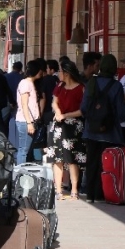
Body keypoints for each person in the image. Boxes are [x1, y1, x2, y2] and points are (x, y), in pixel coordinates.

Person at [80, 54, 125, 203]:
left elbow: (84, 108)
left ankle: (89, 194)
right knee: (106, 163)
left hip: (91, 130)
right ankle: (103, 193)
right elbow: (121, 112)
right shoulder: (116, 86)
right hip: (110, 132)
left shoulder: (91, 82)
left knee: (92, 162)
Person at [49, 59, 85, 200]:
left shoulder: (81, 88)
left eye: (61, 71)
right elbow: (54, 102)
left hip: (73, 126)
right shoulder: (59, 86)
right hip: (58, 125)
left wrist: (65, 115)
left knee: (72, 159)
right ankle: (58, 190)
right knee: (57, 158)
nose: (59, 74)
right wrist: (58, 112)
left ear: (67, 73)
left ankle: (74, 189)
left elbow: (82, 111)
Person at [14, 60, 43, 165]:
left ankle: (21, 172)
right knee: (23, 150)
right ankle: (20, 173)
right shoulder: (26, 83)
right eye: (40, 70)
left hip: (27, 120)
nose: (41, 72)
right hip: (25, 121)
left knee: (24, 149)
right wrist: (29, 123)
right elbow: (24, 105)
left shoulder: (29, 83)